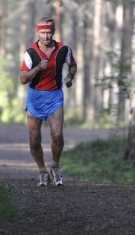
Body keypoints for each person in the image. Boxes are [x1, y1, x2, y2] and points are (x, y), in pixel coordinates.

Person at [20, 17, 78, 187]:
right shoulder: (30, 52)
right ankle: (42, 171)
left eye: (49, 32)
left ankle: (55, 166)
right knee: (34, 140)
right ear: (37, 32)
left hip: (54, 96)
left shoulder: (63, 49)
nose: (46, 36)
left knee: (57, 135)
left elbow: (73, 65)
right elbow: (23, 79)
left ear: (53, 32)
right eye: (42, 32)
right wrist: (38, 68)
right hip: (35, 97)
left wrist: (69, 76)